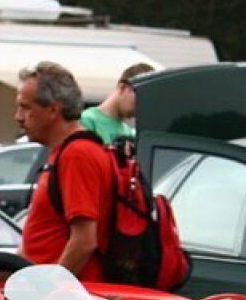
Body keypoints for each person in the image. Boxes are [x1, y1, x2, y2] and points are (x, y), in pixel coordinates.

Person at [15, 61, 115, 281]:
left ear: (53, 109)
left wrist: (50, 292)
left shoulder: (77, 155)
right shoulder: (64, 153)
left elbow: (85, 241)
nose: (18, 117)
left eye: (25, 107)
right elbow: (38, 243)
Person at [80, 62, 155, 145]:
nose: (140, 108)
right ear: (123, 87)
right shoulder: (87, 121)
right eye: (139, 99)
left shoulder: (128, 132)